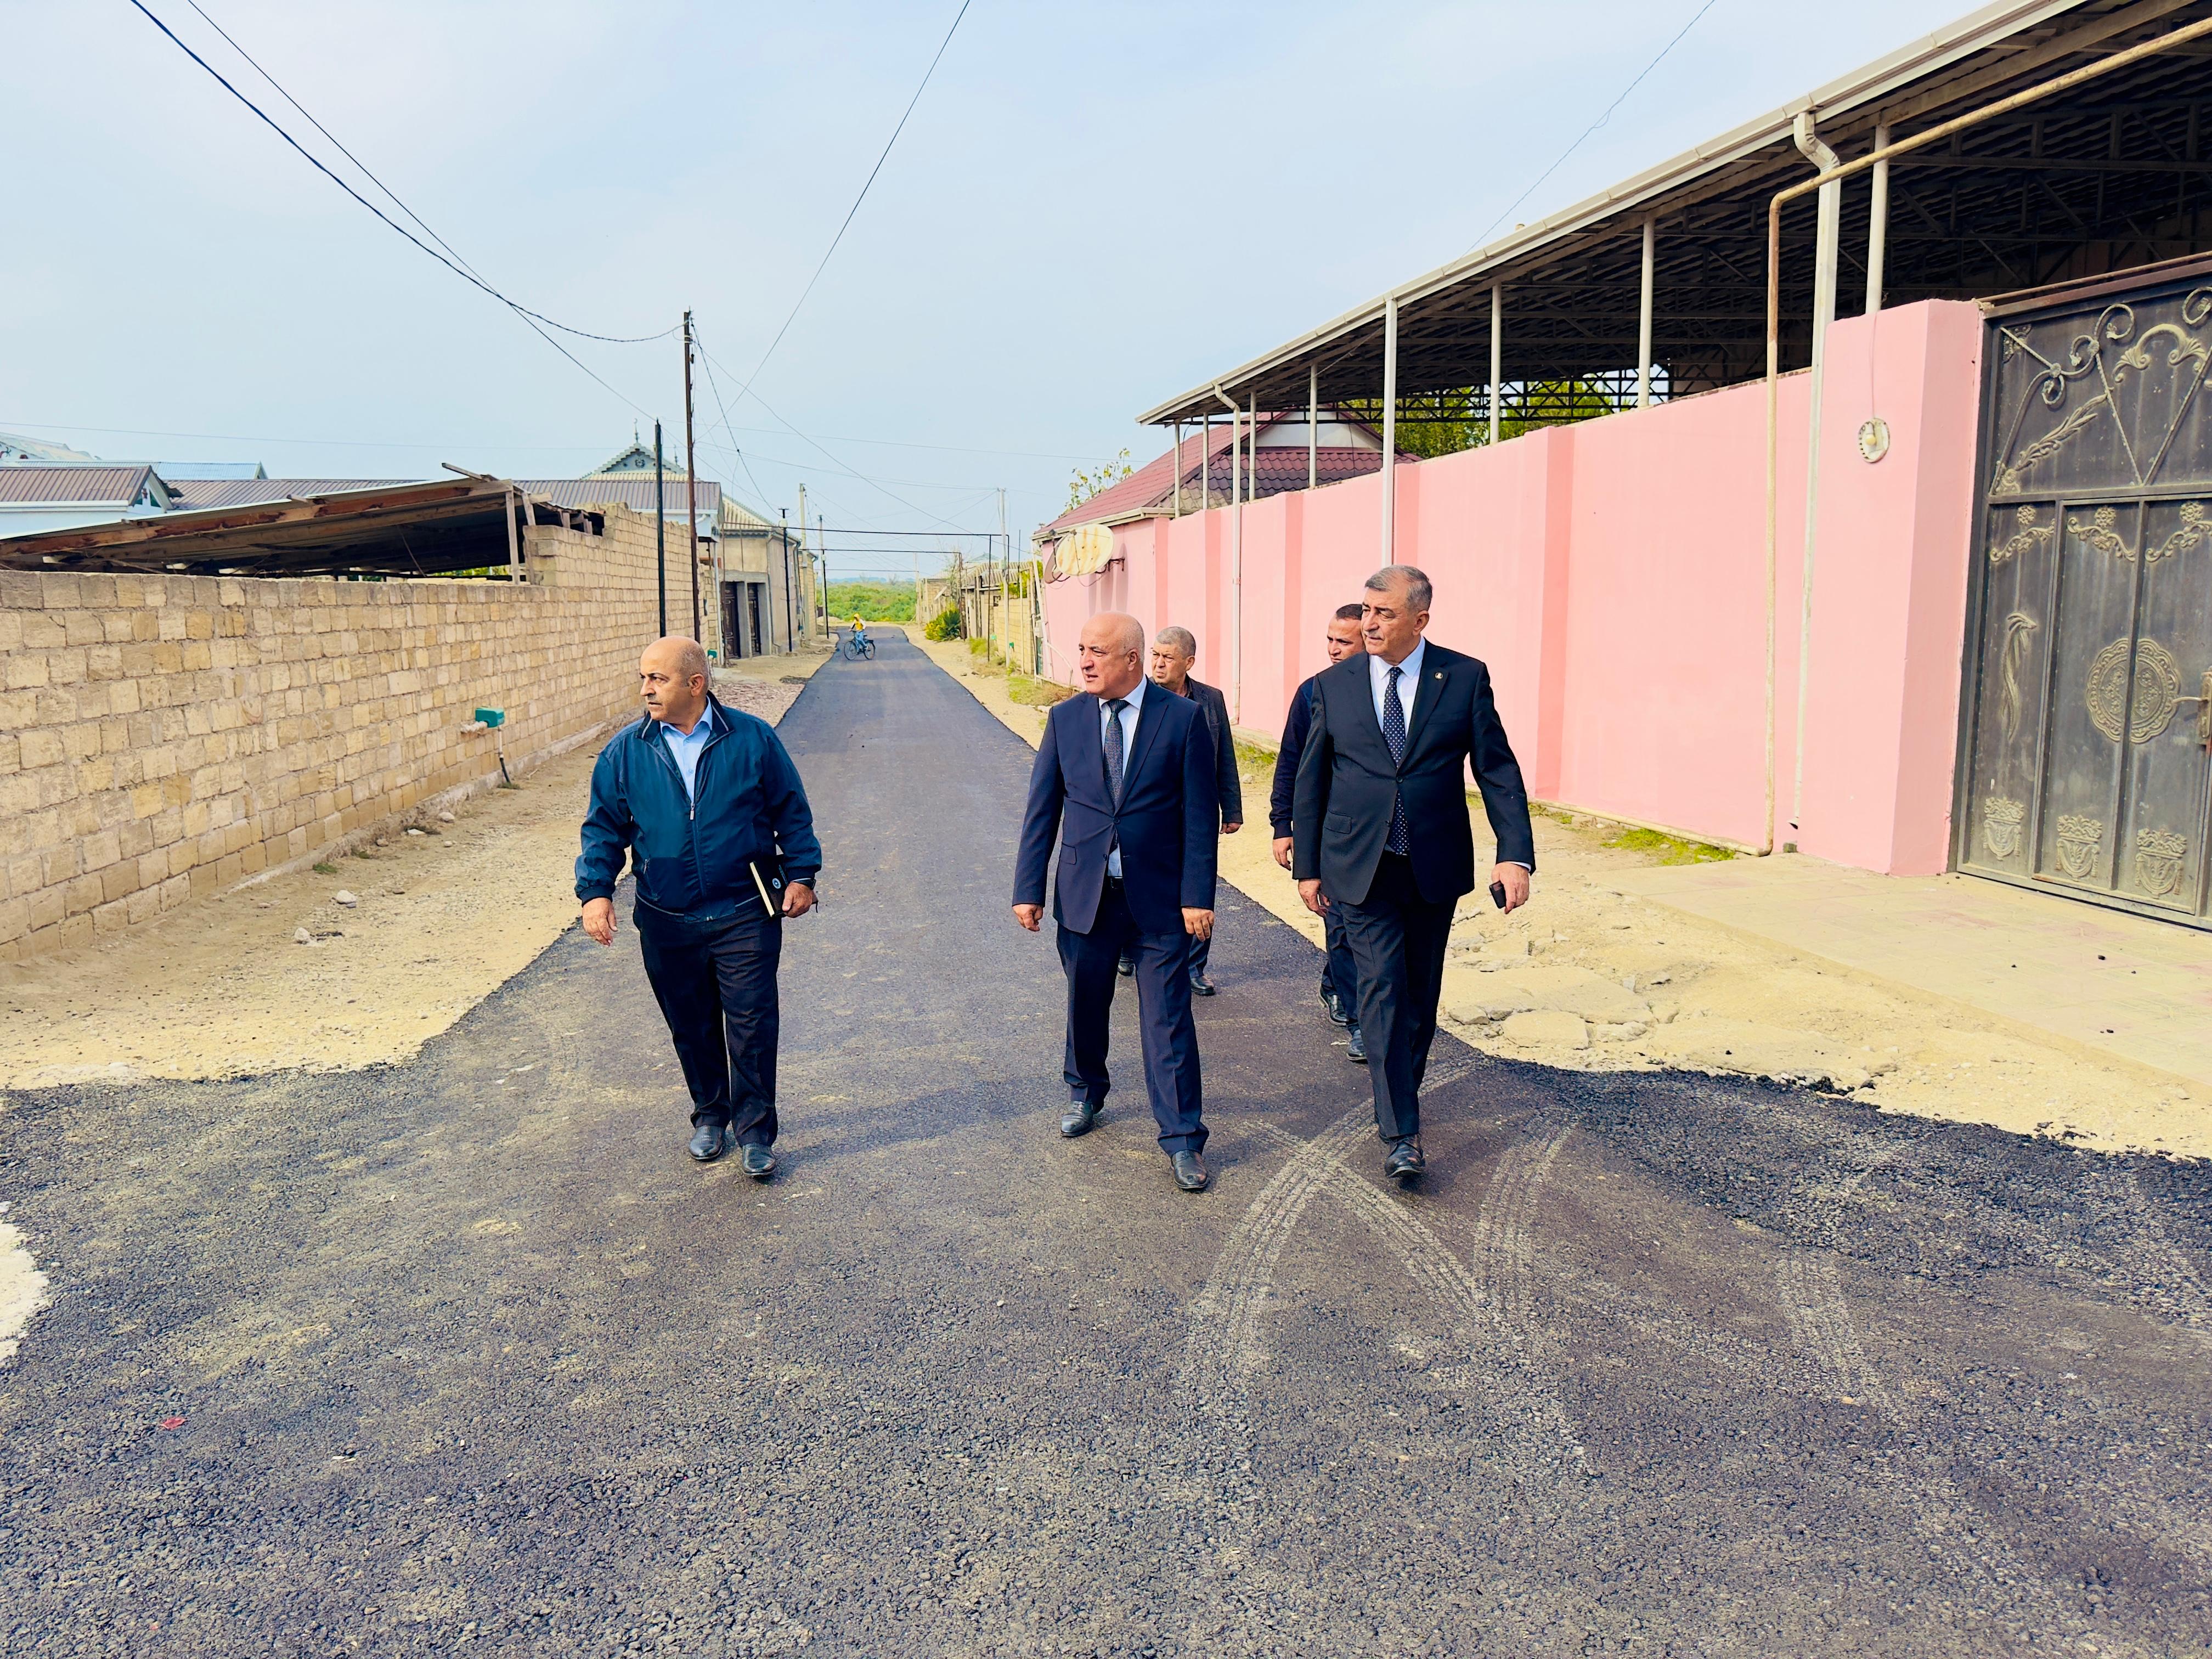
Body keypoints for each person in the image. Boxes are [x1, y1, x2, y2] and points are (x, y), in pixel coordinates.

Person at [1292, 566, 1534, 1180]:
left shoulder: (1465, 677)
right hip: (1358, 864)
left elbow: (1497, 769)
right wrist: (1308, 866)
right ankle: (1401, 1130)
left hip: (1432, 863)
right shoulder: (1333, 685)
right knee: (1380, 988)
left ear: (1420, 620)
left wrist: (1514, 853)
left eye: (1385, 614)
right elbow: (1312, 778)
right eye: (1367, 611)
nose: (1369, 624)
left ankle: (1401, 1087)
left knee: (1420, 997)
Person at [577, 636, 821, 1178]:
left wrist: (802, 875)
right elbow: (603, 830)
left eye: (657, 679)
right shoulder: (625, 752)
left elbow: (791, 811)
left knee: (752, 1025)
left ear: (695, 684)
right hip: (667, 917)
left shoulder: (752, 739)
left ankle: (756, 1133)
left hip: (745, 910)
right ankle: (711, 1115)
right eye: (643, 678)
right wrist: (595, 892)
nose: (646, 689)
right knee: (691, 1024)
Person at [1012, 612, 1220, 1193]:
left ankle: (1182, 1137)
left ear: (1132, 658)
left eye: (1096, 652)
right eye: (1082, 649)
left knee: (1168, 1019)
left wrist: (1197, 896)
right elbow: (1042, 810)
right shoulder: (1066, 719)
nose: (1084, 661)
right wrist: (1028, 888)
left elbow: (1199, 817)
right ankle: (1086, 1092)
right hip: (1086, 896)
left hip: (1160, 902)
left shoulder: (1182, 719)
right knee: (1086, 1003)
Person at [1271, 602, 1368, 1063]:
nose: (1333, 649)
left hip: (1374, 834)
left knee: (1362, 927)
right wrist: (1282, 824)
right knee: (1341, 924)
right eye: (1329, 639)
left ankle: (1337, 984)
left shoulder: (1389, 695)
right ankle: (1359, 1022)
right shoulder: (1313, 692)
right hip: (1329, 834)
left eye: (1344, 641)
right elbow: (1290, 761)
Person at [1136, 626, 1241, 995]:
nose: (1158, 664)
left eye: (1168, 657)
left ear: (1189, 662)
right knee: (1144, 879)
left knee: (1199, 882)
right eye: (1155, 655)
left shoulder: (1211, 699)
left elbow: (1224, 753)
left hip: (1198, 808)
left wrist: (1232, 807)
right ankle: (1130, 949)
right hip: (1152, 810)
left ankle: (1195, 966)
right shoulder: (1141, 698)